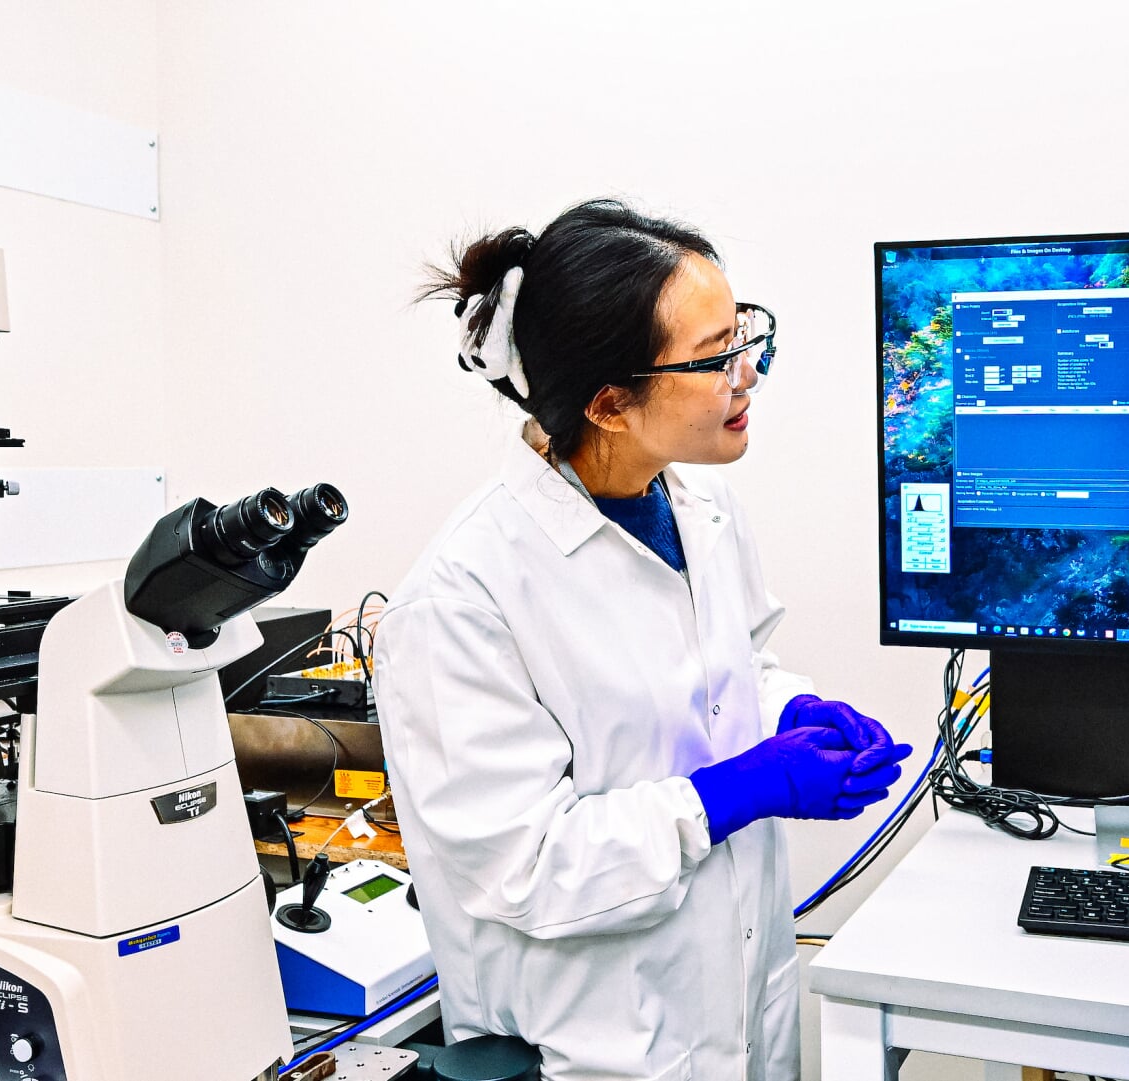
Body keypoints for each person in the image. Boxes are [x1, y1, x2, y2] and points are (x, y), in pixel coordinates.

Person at [375, 199, 912, 1081]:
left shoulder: (696, 507)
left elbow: (727, 675)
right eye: (715, 358)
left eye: (747, 337)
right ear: (611, 403)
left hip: (740, 1028)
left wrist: (792, 710)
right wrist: (740, 789)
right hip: (592, 1054)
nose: (749, 374)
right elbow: (528, 867)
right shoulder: (460, 599)